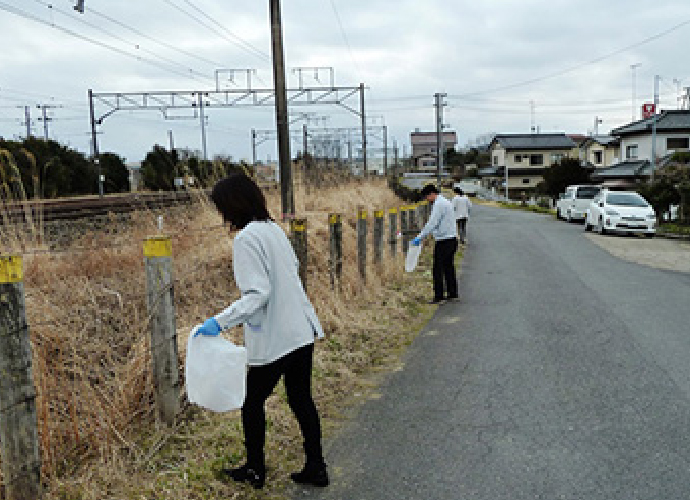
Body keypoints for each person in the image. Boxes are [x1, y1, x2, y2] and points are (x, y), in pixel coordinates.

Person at [195, 173, 328, 490]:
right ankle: (316, 466)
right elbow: (292, 270)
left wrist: (220, 321)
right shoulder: (273, 230)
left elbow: (257, 295)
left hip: (276, 338)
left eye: (221, 208)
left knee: (251, 401)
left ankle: (255, 469)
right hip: (300, 331)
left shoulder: (245, 239)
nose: (222, 215)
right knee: (301, 400)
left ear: (231, 206)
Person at [412, 184, 458, 304]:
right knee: (448, 267)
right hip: (452, 238)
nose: (427, 200)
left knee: (438, 268)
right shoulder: (446, 202)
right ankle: (452, 293)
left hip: (444, 240)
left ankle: (439, 296)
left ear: (432, 194)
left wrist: (420, 237)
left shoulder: (439, 204)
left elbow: (432, 223)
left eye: (427, 197)